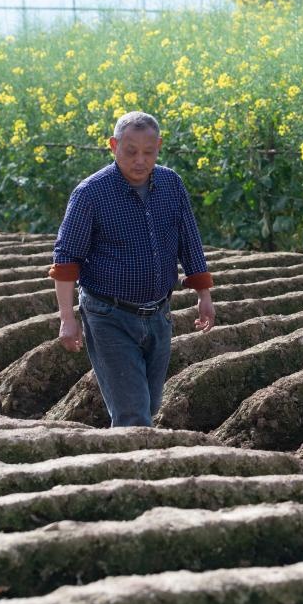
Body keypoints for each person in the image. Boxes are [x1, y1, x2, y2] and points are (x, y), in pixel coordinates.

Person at [49, 111, 215, 427]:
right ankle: (131, 472)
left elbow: (189, 240)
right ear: (114, 146)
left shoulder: (171, 184)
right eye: (130, 151)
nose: (140, 160)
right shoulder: (91, 193)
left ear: (159, 147)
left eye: (148, 152)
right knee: (133, 416)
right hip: (108, 315)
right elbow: (67, 259)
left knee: (149, 406)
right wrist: (68, 319)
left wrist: (203, 295)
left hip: (158, 315)